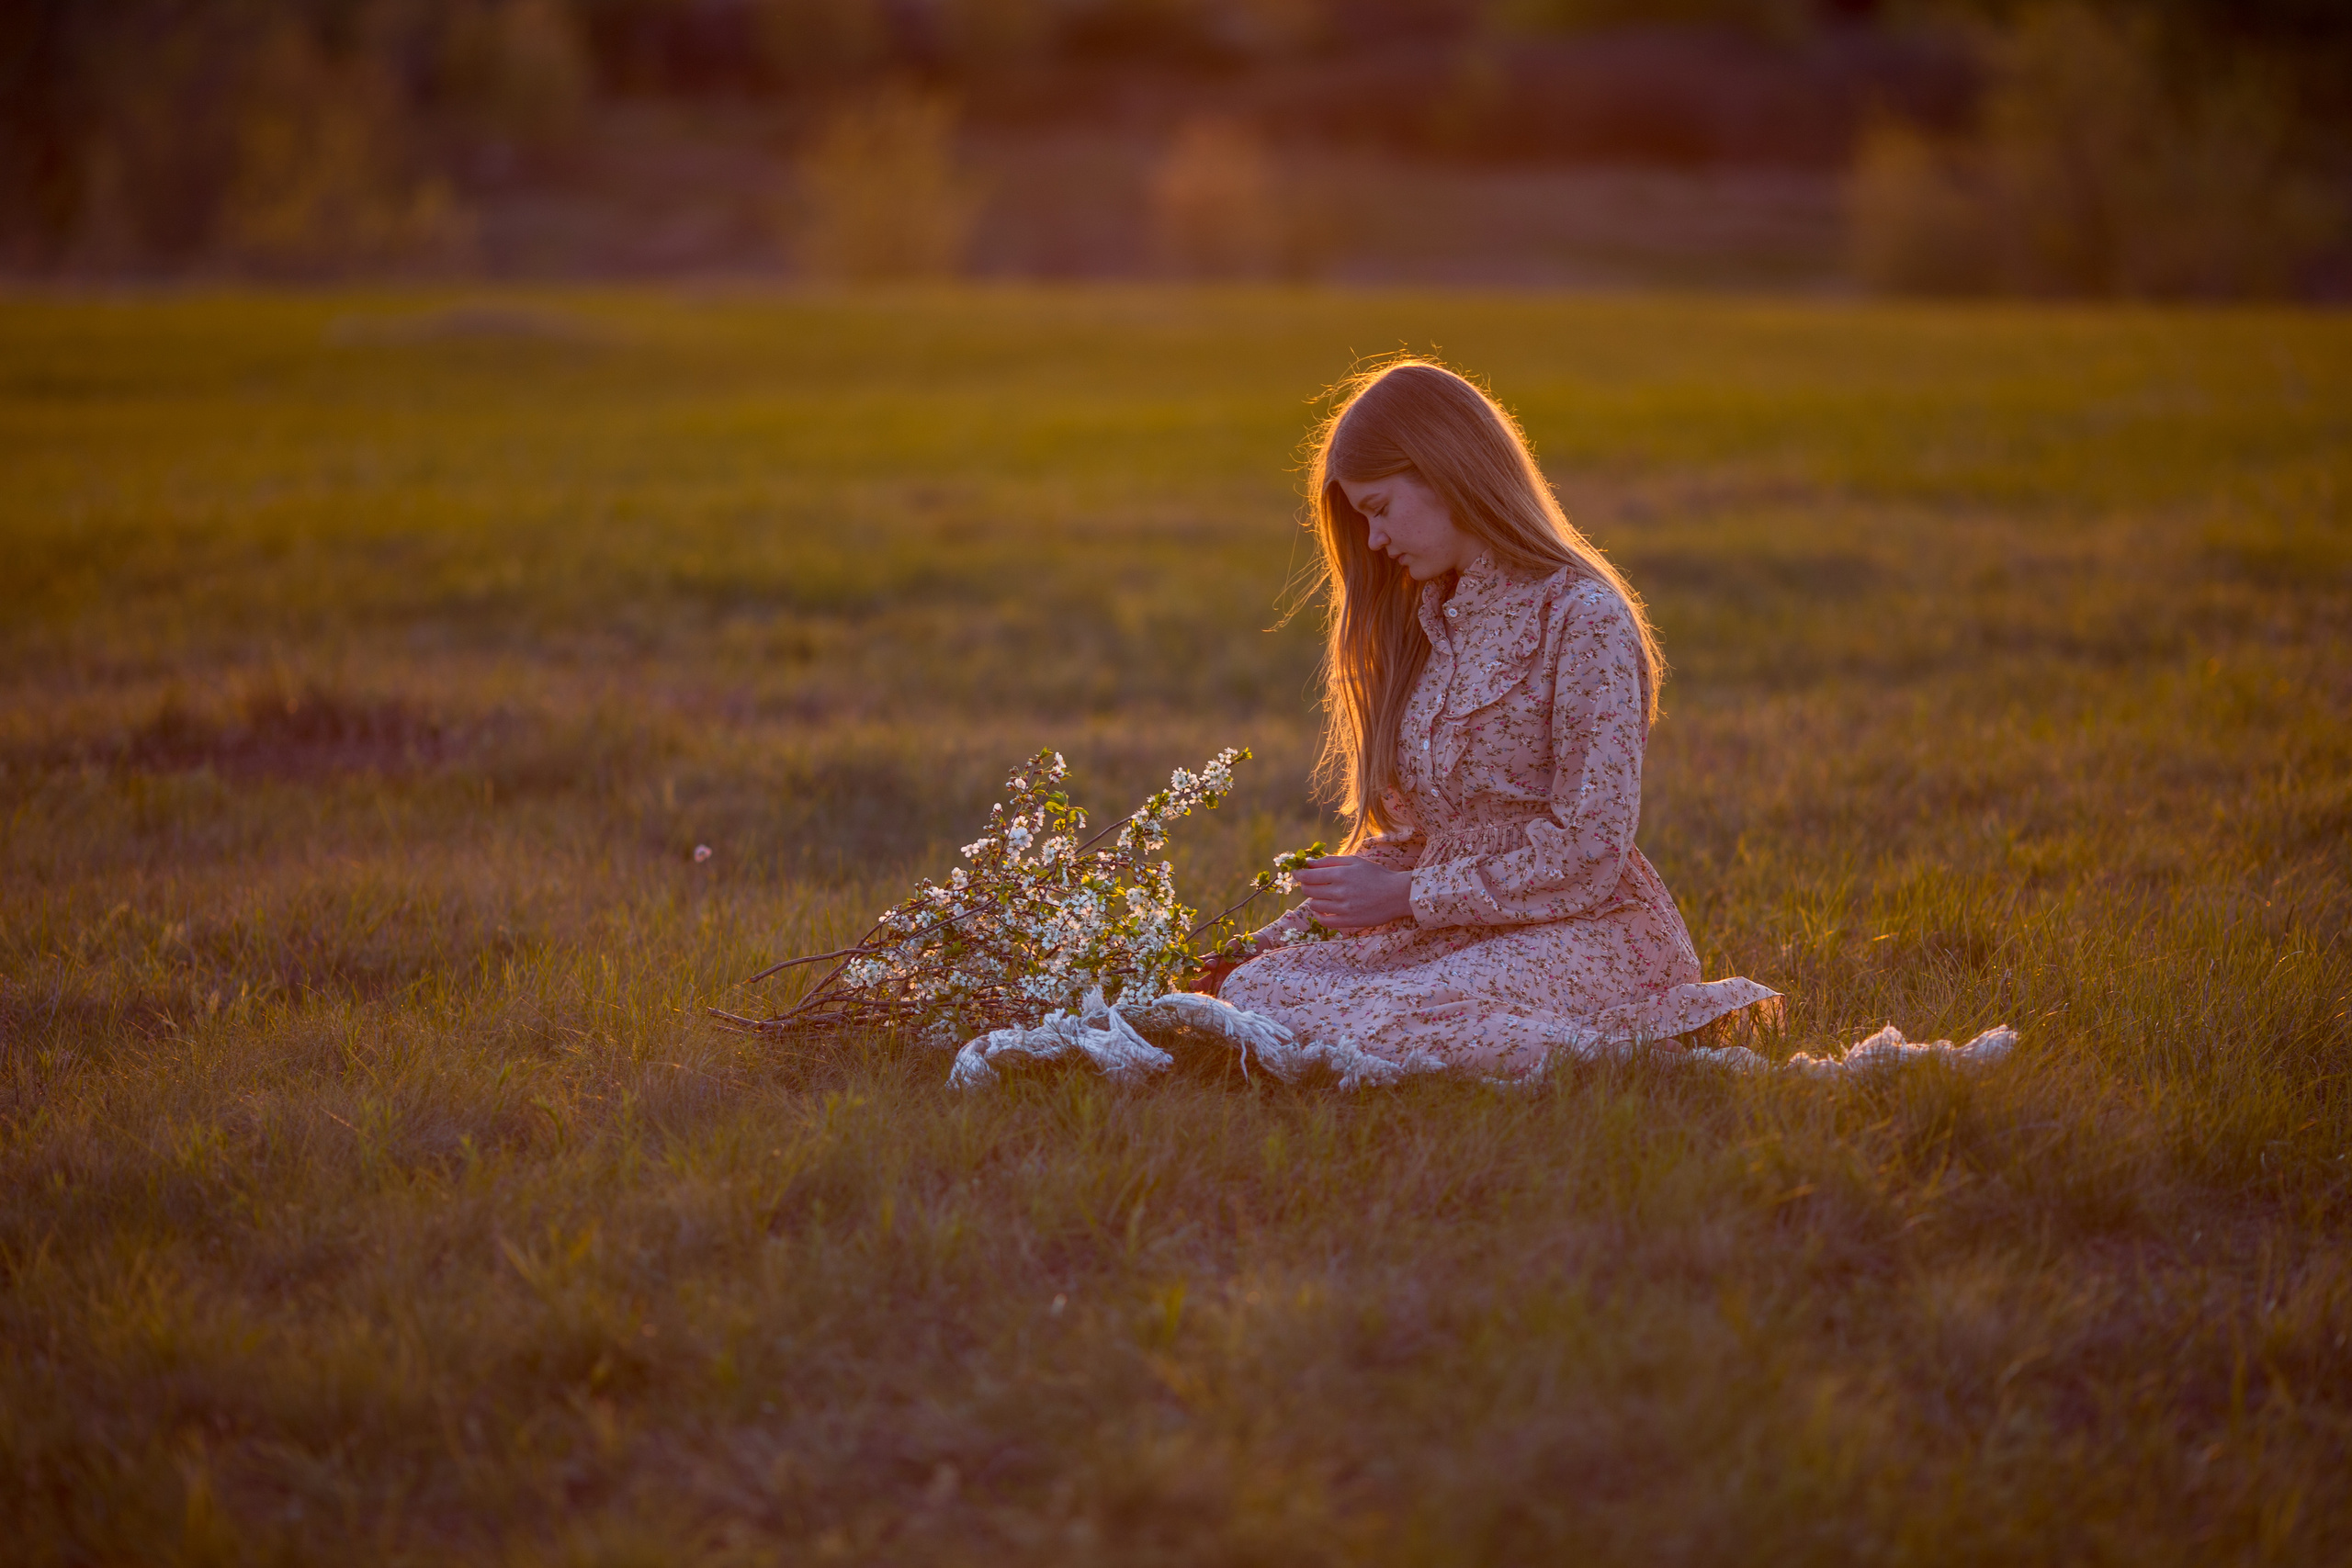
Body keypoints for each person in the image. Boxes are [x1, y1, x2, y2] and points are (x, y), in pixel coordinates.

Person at [1206, 358, 1780, 1077]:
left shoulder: (1583, 619)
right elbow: (1416, 837)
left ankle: (1639, 1056)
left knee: (1399, 1016)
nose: (1375, 540)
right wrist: (1261, 944)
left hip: (1585, 930)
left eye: (1379, 509)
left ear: (1445, 471)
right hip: (1456, 931)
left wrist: (1410, 896)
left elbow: (1591, 848)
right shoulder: (1425, 622)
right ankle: (1482, 1038)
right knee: (1257, 988)